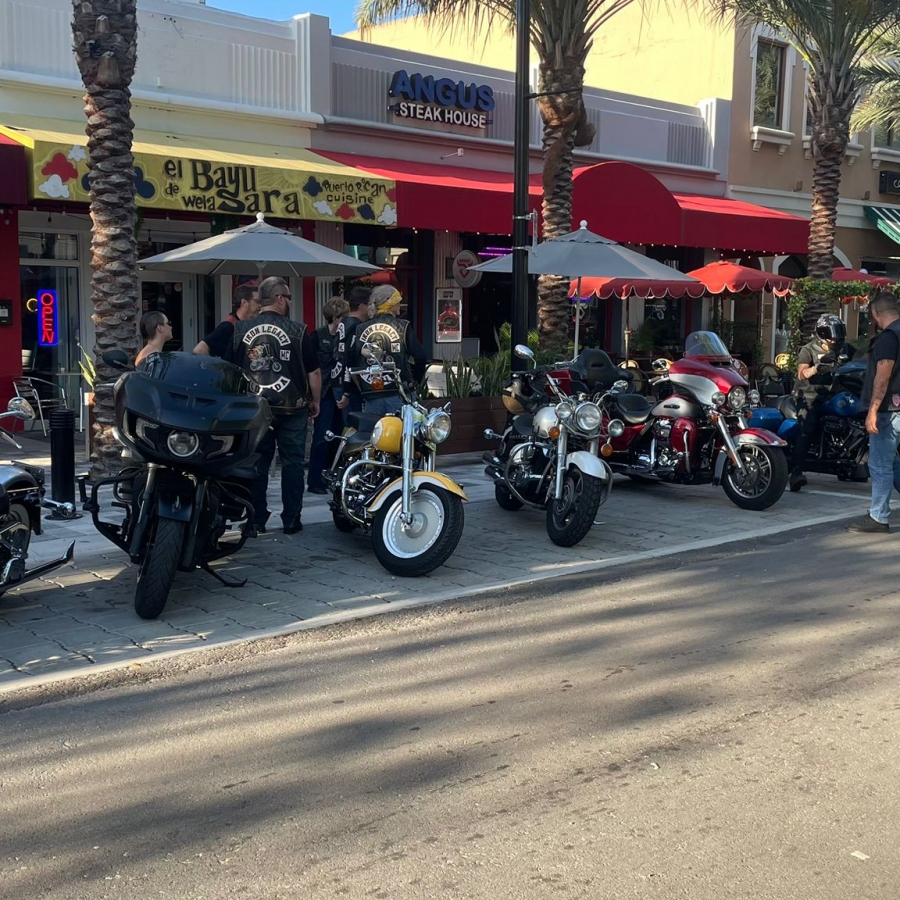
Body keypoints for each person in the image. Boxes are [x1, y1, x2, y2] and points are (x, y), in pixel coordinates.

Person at [231, 277, 321, 536]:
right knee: (293, 465)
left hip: (255, 409)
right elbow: (314, 372)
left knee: (256, 464)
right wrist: (315, 401)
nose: (290, 302)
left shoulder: (241, 329)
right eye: (289, 297)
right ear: (281, 299)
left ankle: (255, 519)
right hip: (293, 408)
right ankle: (291, 520)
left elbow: (232, 369)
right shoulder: (299, 330)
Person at [846, 292, 900, 533]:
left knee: (880, 465)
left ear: (876, 313)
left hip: (889, 410)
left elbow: (883, 376)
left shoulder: (888, 337)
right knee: (893, 463)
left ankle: (878, 517)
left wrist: (873, 410)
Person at [789, 313, 856, 491]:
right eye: (831, 334)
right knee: (808, 427)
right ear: (821, 334)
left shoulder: (846, 349)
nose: (835, 338)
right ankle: (796, 472)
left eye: (838, 332)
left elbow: (862, 361)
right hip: (810, 396)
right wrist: (818, 368)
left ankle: (850, 465)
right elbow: (801, 373)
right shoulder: (808, 349)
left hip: (835, 395)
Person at [347, 285, 429, 416]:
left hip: (372, 393)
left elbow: (350, 361)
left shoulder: (360, 328)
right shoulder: (403, 326)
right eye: (398, 302)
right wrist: (414, 380)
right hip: (399, 392)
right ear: (391, 304)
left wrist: (361, 385)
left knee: (376, 428)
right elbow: (421, 356)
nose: (400, 305)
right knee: (403, 428)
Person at [306, 296, 349, 495]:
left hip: (340, 390)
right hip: (323, 391)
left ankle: (333, 476)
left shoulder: (346, 337)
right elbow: (310, 366)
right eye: (342, 317)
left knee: (340, 435)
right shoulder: (317, 336)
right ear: (335, 317)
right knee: (322, 435)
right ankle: (315, 480)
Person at [333, 286, 372, 414]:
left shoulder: (343, 322)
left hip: (337, 379)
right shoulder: (357, 327)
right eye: (370, 305)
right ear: (362, 307)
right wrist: (347, 391)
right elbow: (349, 357)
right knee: (354, 423)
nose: (372, 309)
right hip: (349, 384)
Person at [194, 285, 259, 357]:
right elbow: (199, 350)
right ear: (244, 303)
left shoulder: (242, 324)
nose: (260, 305)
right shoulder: (228, 326)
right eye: (257, 301)